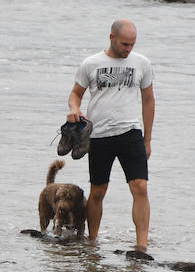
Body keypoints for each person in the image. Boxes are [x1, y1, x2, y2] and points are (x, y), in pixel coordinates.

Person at [66, 19, 156, 251]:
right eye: (125, 44)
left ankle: (141, 246)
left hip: (131, 133)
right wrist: (75, 109)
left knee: (140, 187)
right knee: (98, 191)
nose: (128, 49)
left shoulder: (142, 63)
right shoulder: (91, 63)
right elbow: (75, 94)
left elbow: (148, 100)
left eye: (132, 44)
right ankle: (92, 241)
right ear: (112, 38)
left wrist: (147, 139)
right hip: (99, 136)